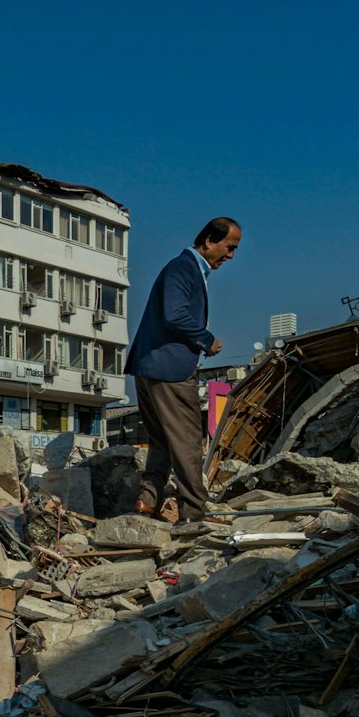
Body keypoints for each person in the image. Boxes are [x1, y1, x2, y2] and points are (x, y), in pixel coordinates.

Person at [123, 216, 241, 523]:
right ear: (209, 241)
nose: (231, 256)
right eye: (229, 247)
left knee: (162, 441)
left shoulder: (186, 268)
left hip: (149, 367)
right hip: (169, 370)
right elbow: (174, 315)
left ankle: (147, 501)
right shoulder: (183, 267)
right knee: (188, 441)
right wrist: (206, 340)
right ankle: (193, 512)